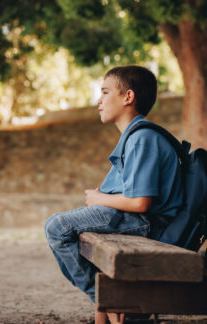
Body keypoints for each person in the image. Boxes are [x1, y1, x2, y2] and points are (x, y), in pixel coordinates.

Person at [44, 66, 183, 324]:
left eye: (105, 92)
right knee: (74, 233)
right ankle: (109, 304)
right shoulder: (135, 137)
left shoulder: (142, 138)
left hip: (149, 224)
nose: (99, 100)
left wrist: (99, 199)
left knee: (57, 227)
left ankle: (110, 299)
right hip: (139, 220)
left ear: (127, 97)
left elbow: (141, 202)